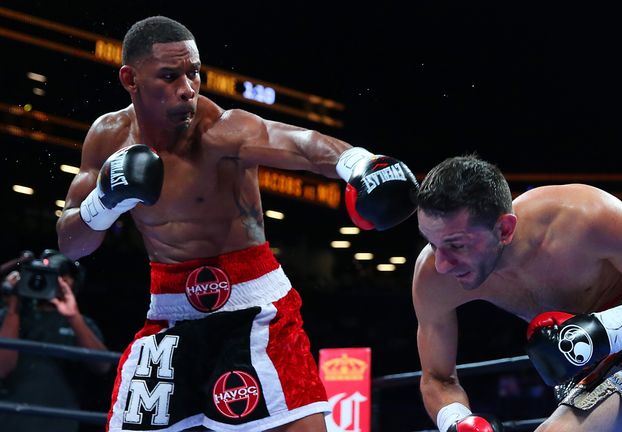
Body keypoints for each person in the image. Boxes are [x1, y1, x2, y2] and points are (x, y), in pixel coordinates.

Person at [56, 15, 418, 432]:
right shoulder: (108, 138)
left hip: (250, 302)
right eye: (170, 76)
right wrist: (103, 202)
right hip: (169, 309)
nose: (188, 88)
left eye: (194, 72)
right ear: (130, 79)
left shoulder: (222, 130)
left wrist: (358, 163)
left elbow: (298, 144)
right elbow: (73, 245)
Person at [412, 155, 622, 432]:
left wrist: (599, 331)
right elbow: (438, 378)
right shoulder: (433, 276)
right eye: (432, 243)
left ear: (504, 229)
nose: (442, 263)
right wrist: (458, 422)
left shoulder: (583, 216)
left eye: (457, 245)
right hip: (582, 366)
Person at [0, 251, 110, 432]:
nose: (56, 282)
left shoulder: (81, 324)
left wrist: (73, 317)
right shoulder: (9, 316)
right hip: (9, 422)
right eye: (50, 276)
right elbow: (2, 369)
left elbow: (102, 366)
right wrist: (14, 306)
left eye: (62, 277)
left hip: (59, 424)